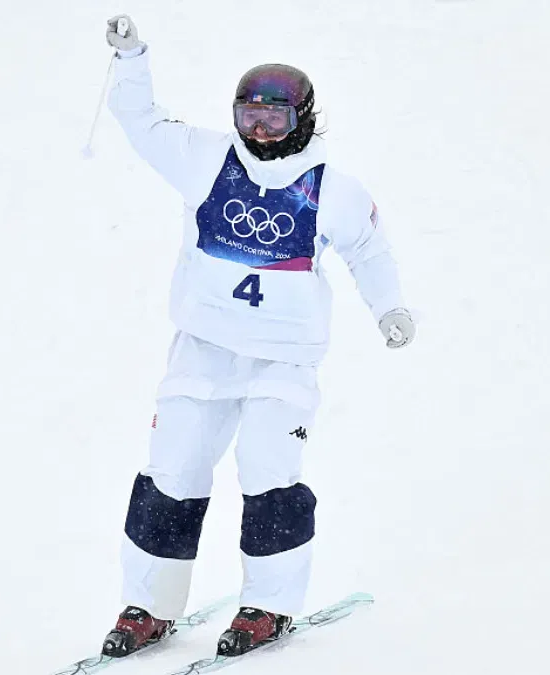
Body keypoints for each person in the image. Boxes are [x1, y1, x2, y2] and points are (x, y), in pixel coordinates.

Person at [98, 13, 415, 659]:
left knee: (269, 471)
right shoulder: (205, 159)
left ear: (303, 119)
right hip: (203, 348)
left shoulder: (332, 190)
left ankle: (269, 604)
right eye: (249, 117)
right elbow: (141, 122)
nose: (260, 132)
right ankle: (149, 606)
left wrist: (389, 307)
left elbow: (370, 250)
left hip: (283, 359)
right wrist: (132, 59)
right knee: (172, 468)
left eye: (275, 119)